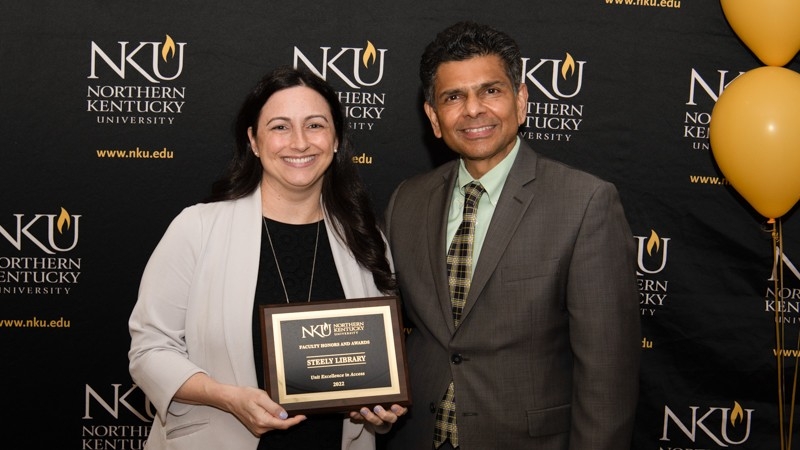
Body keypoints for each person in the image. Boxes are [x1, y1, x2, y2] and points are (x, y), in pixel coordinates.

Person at [382, 21, 641, 449]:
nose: (473, 110)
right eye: (453, 97)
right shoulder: (406, 200)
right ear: (433, 117)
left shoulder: (585, 203)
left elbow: (607, 373)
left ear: (521, 102)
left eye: (491, 90)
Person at [128, 66, 406, 450]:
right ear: (254, 141)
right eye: (280, 127)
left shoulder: (365, 238)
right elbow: (149, 351)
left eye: (315, 125)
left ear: (336, 139)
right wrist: (227, 397)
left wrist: (379, 408)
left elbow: (375, 367)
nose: (299, 142)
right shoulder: (198, 228)